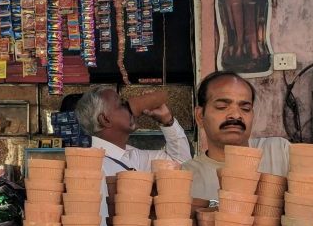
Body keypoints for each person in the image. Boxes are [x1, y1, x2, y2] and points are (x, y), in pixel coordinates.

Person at [183, 71, 289, 201]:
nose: (235, 115)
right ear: (200, 116)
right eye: (222, 107)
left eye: (245, 108)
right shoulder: (185, 177)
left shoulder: (279, 152)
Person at [75, 86, 192, 175]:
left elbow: (181, 164)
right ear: (105, 120)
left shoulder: (133, 156)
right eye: (121, 104)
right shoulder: (91, 167)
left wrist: (167, 121)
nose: (130, 107)